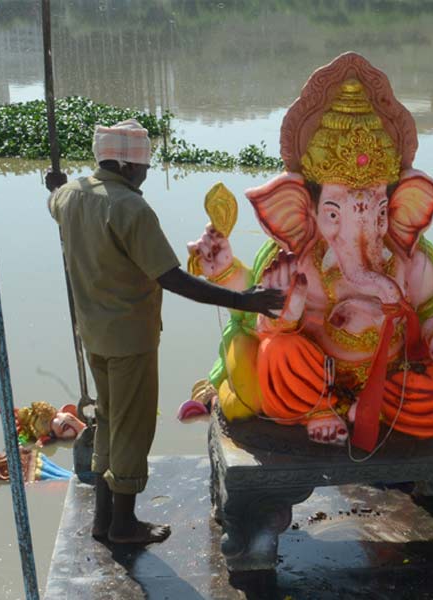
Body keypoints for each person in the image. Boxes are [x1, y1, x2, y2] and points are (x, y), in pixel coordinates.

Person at [48, 119, 284, 545]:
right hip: (130, 339)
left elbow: (55, 198)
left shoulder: (69, 195)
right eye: (141, 168)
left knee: (107, 420)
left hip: (94, 335)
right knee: (132, 429)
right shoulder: (130, 209)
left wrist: (56, 185)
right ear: (123, 165)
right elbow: (172, 278)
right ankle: (123, 525)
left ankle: (103, 520)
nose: (145, 174)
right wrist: (242, 301)